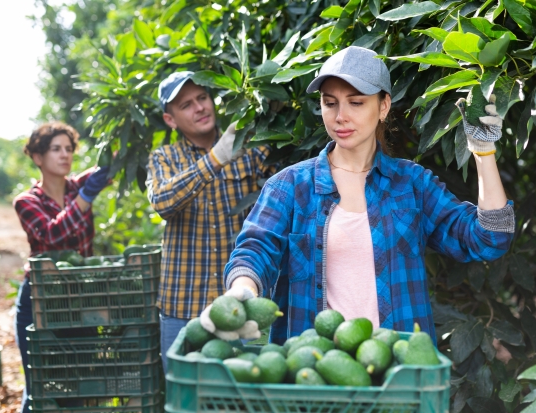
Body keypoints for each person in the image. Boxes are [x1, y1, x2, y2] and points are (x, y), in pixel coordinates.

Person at [206, 46, 514, 344]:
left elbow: (489, 240)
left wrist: (483, 153)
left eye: (356, 103)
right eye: (330, 103)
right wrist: (242, 290)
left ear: (383, 106)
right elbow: (255, 250)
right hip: (315, 371)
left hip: (398, 370)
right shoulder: (290, 186)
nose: (340, 116)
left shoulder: (412, 184)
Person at [146, 71, 276, 369]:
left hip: (242, 303)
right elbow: (163, 202)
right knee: (185, 396)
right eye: (186, 105)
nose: (200, 107)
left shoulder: (250, 150)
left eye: (202, 98)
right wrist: (216, 158)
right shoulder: (164, 157)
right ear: (171, 119)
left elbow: (274, 211)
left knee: (246, 390)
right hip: (183, 305)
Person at [13, 122, 110, 413]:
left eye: (69, 149)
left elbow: (112, 163)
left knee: (77, 386)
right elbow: (52, 235)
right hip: (41, 299)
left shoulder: (78, 186)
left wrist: (114, 154)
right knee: (40, 389)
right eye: (56, 149)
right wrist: (85, 199)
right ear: (38, 157)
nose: (65, 155)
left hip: (80, 298)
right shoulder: (27, 201)